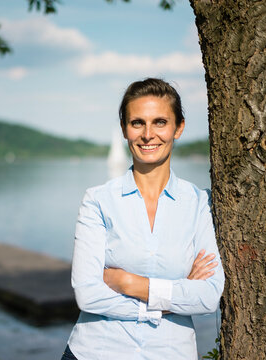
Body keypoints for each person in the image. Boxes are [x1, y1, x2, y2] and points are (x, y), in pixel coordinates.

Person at [62, 78, 225, 360]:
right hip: (95, 352)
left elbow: (209, 295)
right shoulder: (98, 201)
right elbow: (87, 294)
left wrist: (129, 284)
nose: (148, 134)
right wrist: (168, 300)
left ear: (179, 128)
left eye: (160, 122)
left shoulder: (200, 203)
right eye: (137, 123)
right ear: (125, 130)